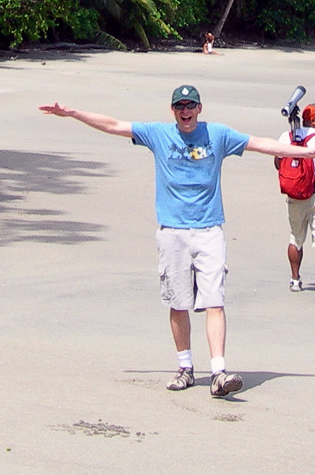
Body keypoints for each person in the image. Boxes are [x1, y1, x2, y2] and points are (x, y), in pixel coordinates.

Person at [39, 85, 300, 397]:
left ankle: (218, 372)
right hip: (172, 231)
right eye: (180, 106)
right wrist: (72, 113)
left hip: (209, 230)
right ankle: (185, 368)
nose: (185, 111)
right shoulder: (158, 134)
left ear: (200, 108)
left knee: (214, 300)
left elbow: (262, 144)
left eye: (190, 105)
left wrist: (306, 152)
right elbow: (114, 125)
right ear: (173, 110)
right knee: (178, 303)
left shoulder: (218, 134)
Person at [276, 102, 315, 297]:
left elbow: (278, 164)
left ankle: (295, 280)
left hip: (295, 195)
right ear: (313, 120)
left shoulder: (287, 137)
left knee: (295, 237)